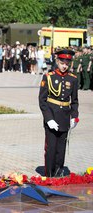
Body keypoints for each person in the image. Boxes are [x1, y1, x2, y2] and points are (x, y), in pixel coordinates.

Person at [39, 49, 79, 177]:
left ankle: (59, 173)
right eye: (62, 63)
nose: (64, 66)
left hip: (65, 118)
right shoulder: (48, 77)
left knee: (61, 149)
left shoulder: (72, 79)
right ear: (57, 61)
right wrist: (49, 119)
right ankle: (49, 174)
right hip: (52, 116)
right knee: (51, 148)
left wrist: (74, 116)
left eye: (67, 63)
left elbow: (75, 100)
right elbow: (42, 100)